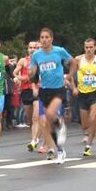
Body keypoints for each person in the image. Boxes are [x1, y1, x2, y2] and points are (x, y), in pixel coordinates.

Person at [29, 27, 75, 164]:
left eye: (46, 37)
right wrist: (31, 73)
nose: (44, 40)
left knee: (50, 113)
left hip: (58, 89)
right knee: (46, 124)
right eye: (42, 37)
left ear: (51, 39)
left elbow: (73, 63)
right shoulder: (36, 55)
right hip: (44, 90)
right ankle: (59, 150)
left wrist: (69, 76)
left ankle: (60, 123)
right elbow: (33, 71)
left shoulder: (59, 51)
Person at [71, 38, 96, 157]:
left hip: (95, 92)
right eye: (86, 47)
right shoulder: (78, 59)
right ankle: (88, 131)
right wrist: (74, 88)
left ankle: (89, 146)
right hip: (82, 93)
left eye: (91, 47)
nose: (88, 50)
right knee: (85, 124)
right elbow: (70, 75)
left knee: (93, 117)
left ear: (95, 47)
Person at [14, 41, 41, 152]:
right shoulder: (23, 60)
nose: (32, 49)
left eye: (34, 47)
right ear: (27, 49)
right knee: (30, 119)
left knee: (36, 117)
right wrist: (18, 78)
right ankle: (35, 136)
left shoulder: (41, 60)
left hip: (38, 90)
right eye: (30, 47)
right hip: (26, 91)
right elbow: (15, 73)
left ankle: (34, 140)